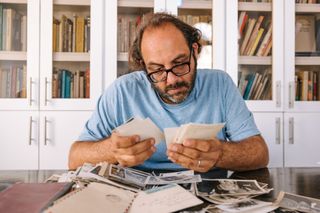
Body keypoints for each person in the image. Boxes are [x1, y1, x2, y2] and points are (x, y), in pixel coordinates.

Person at [68, 13, 269, 175]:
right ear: (143, 67)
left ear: (195, 51)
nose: (171, 80)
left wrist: (221, 153)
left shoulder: (220, 84)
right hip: (139, 195)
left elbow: (260, 154)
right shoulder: (121, 91)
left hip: (207, 193)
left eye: (180, 64)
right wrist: (112, 150)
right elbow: (74, 158)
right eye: (156, 70)